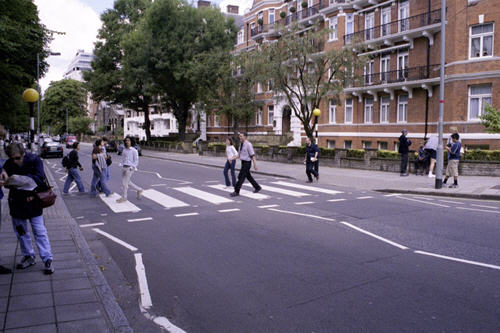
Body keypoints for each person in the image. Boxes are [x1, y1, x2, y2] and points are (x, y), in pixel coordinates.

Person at [1, 143, 54, 274]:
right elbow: (7, 184)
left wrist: (19, 179)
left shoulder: (35, 160)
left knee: (39, 231)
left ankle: (47, 258)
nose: (15, 161)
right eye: (12, 158)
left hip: (33, 201)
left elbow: (39, 178)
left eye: (18, 158)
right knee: (21, 232)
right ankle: (29, 256)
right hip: (17, 202)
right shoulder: (8, 164)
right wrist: (6, 181)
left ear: (24, 154)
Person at [230, 132, 261, 197]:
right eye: (239, 136)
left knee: (241, 177)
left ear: (245, 137)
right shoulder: (241, 144)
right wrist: (232, 158)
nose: (239, 137)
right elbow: (239, 155)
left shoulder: (248, 145)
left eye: (241, 136)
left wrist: (255, 165)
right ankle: (257, 187)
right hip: (243, 162)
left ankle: (236, 191)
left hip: (247, 163)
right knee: (248, 176)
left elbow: (253, 155)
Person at [117, 137, 143, 203]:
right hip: (124, 167)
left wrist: (132, 167)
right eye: (126, 140)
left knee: (124, 183)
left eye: (128, 140)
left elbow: (136, 161)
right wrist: (121, 164)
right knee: (127, 182)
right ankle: (139, 189)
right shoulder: (124, 150)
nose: (127, 142)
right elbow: (123, 159)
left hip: (130, 168)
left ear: (131, 141)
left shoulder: (134, 150)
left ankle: (124, 197)